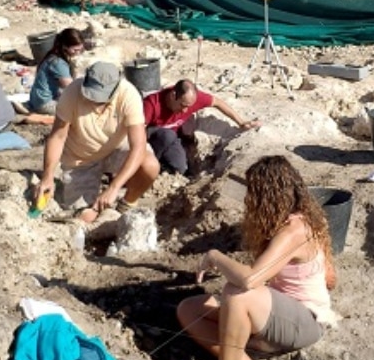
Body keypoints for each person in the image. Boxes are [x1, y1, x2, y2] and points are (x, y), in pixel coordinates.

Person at [176, 155, 337, 360]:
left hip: (304, 323)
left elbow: (250, 280)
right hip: (277, 315)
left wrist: (215, 257)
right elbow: (329, 277)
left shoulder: (295, 230)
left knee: (237, 292)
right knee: (189, 308)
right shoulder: (286, 224)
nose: (248, 200)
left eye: (252, 193)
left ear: (267, 194)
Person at [35, 61, 160, 225]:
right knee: (85, 217)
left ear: (116, 89)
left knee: (150, 165)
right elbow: (57, 137)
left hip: (116, 148)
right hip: (80, 160)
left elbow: (138, 146)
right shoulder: (72, 93)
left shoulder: (129, 95)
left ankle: (126, 204)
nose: (95, 101)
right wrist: (48, 176)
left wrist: (114, 187)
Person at [143, 79, 260, 175]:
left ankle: (163, 168)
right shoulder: (151, 104)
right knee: (167, 135)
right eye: (182, 105)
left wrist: (241, 122)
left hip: (172, 139)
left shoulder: (191, 100)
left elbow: (217, 102)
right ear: (173, 96)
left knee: (181, 168)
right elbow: (137, 131)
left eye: (189, 106)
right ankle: (149, 166)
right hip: (152, 140)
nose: (185, 110)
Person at [18, 28, 87, 125]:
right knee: (79, 112)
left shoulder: (53, 56)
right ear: (65, 46)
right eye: (75, 50)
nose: (78, 53)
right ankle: (38, 117)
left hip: (37, 99)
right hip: (44, 104)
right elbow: (71, 88)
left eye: (80, 50)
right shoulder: (58, 63)